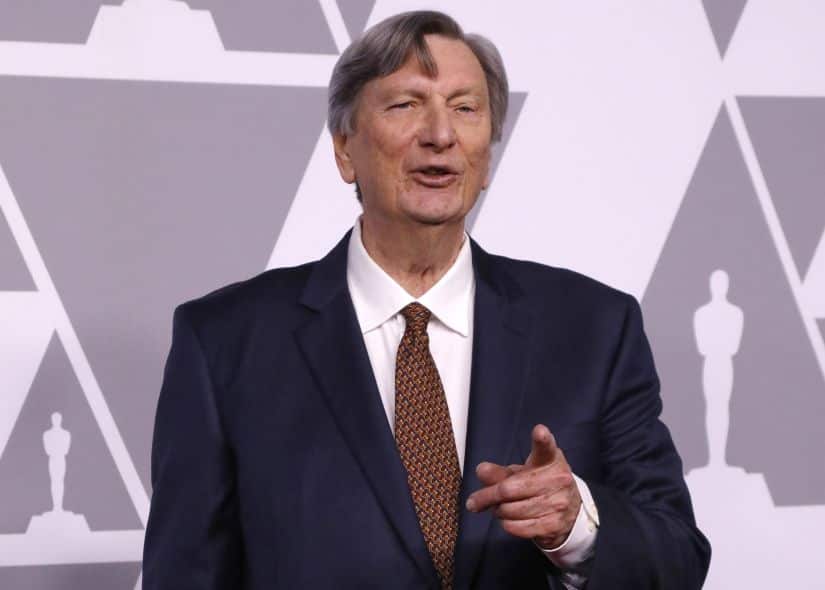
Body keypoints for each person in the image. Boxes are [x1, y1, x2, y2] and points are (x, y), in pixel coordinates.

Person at [142, 10, 710, 590]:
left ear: (487, 154)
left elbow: (678, 560)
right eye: (405, 105)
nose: (441, 134)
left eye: (465, 108)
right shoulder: (224, 343)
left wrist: (576, 528)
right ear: (344, 148)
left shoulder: (595, 329)